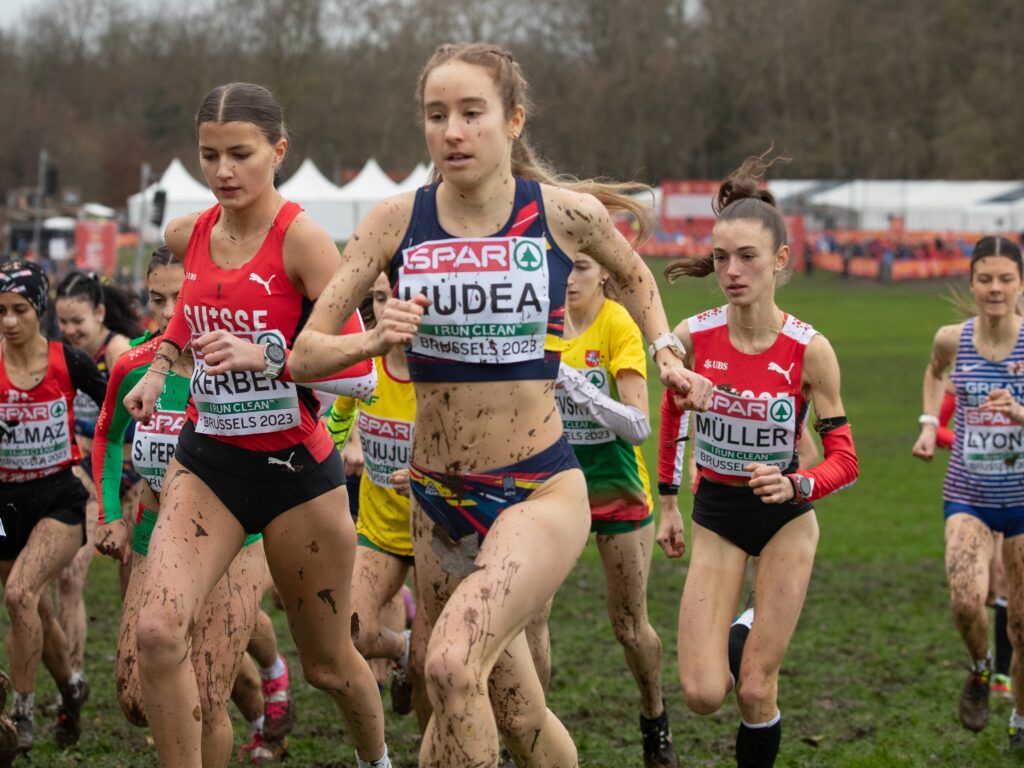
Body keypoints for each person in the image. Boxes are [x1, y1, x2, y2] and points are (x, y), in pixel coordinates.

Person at [287, 42, 711, 768]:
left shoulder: (562, 214)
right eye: (435, 115)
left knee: (450, 665)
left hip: (538, 490)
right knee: (512, 711)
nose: (452, 131)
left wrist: (665, 347)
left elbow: (635, 277)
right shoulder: (395, 222)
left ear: (512, 121)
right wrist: (372, 343)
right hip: (438, 501)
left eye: (471, 113)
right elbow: (303, 354)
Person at [121, 82, 388, 768]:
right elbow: (191, 305)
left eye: (239, 154)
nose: (221, 172)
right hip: (209, 460)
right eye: (208, 156)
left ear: (279, 151)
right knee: (156, 633)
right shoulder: (193, 232)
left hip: (296, 472)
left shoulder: (302, 241)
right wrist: (161, 369)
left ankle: (376, 760)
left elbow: (359, 373)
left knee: (329, 665)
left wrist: (269, 357)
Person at [658, 155, 858, 768]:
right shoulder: (697, 334)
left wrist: (798, 481)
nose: (731, 271)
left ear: (779, 261)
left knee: (753, 688)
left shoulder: (810, 350)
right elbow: (674, 410)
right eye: (721, 258)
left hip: (786, 517)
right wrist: (668, 498)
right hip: (716, 511)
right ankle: (742, 627)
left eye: (747, 257)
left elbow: (845, 459)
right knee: (700, 693)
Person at [92, 246, 294, 765]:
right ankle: (264, 698)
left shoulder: (235, 365)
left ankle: (264, 696)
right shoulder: (135, 364)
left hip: (234, 534)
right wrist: (109, 513)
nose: (167, 313)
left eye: (179, 298)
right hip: (155, 528)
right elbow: (108, 438)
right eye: (156, 298)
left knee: (204, 695)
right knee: (138, 698)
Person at [552, 252, 676, 767]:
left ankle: (654, 718)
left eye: (580, 266)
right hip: (554, 488)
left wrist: (577, 385)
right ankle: (527, 733)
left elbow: (639, 425)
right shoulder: (542, 320)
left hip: (618, 488)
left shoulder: (617, 323)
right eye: (561, 266)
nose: (569, 277)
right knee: (529, 616)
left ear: (604, 271)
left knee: (628, 625)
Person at [912, 236, 1024, 748]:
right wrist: (929, 421)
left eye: (1005, 278)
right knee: (964, 601)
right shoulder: (951, 338)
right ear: (973, 282)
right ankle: (981, 667)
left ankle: (1020, 720)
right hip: (968, 494)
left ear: (1019, 284)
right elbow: (934, 374)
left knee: (1021, 627)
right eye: (985, 278)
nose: (995, 288)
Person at [0, 260, 106, 755]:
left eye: (19, 309)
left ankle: (19, 715)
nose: (9, 321)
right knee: (35, 609)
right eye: (0, 311)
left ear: (38, 308)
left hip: (59, 499)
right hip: (5, 504)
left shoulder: (69, 362)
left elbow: (120, 406)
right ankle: (72, 688)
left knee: (21, 593)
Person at [333, 272, 431, 728]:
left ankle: (442, 746)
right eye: (379, 298)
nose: (389, 306)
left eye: (400, 297)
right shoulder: (364, 367)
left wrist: (431, 478)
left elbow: (480, 454)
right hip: (378, 532)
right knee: (352, 635)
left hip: (440, 535)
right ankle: (403, 646)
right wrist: (340, 449)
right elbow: (335, 426)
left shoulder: (444, 377)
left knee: (433, 674)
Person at [54, 270, 144, 683]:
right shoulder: (63, 358)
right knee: (70, 576)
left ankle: (141, 677)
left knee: (135, 593)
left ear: (101, 314)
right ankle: (72, 679)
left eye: (79, 322)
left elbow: (138, 418)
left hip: (137, 478)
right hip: (91, 477)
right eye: (64, 322)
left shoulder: (120, 351)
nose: (71, 331)